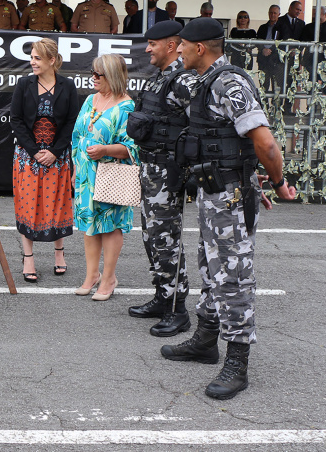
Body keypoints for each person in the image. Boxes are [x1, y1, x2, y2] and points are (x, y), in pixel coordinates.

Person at [162, 17, 297, 400]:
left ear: (200, 48)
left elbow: (266, 144)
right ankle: (206, 339)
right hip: (215, 191)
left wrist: (274, 182)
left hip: (230, 196)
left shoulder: (229, 83)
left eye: (183, 45)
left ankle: (237, 361)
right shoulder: (208, 82)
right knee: (211, 266)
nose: (180, 50)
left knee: (233, 276)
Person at [127, 20, 195, 336]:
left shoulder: (184, 81)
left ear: (170, 45)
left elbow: (199, 126)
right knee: (152, 238)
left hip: (169, 172)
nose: (147, 48)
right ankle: (162, 296)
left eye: (152, 43)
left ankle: (177, 310)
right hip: (150, 169)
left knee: (166, 240)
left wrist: (190, 171)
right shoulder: (159, 78)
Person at [10, 38, 79, 282]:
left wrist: (56, 152)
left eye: (37, 58)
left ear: (52, 60)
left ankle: (59, 254)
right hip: (28, 158)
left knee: (56, 205)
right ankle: (28, 258)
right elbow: (16, 119)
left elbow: (72, 121)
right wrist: (33, 151)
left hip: (57, 158)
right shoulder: (24, 84)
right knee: (27, 205)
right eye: (31, 57)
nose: (32, 62)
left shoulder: (67, 86)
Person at [71, 53, 137, 300]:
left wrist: (105, 150)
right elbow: (77, 135)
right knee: (88, 225)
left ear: (113, 76)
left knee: (109, 227)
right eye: (93, 72)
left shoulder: (126, 107)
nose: (93, 78)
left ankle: (109, 278)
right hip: (87, 173)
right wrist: (76, 166)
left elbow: (132, 148)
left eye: (99, 74)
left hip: (112, 175)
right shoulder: (90, 100)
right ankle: (91, 275)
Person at [256, 5, 282, 93]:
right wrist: (263, 49)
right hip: (263, 61)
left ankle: (276, 107)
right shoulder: (262, 27)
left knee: (276, 88)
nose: (272, 15)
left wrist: (270, 50)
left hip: (275, 62)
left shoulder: (282, 28)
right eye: (271, 12)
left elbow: (281, 42)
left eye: (275, 13)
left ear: (279, 14)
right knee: (263, 87)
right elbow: (257, 41)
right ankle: (264, 106)